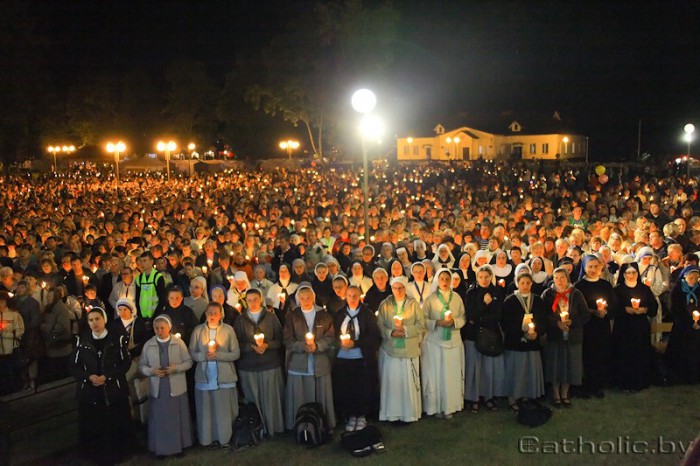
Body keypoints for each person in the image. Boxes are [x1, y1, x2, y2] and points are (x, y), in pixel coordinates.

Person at [70, 307, 133, 465]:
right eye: (91, 320)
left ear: (104, 320)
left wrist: (108, 376)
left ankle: (118, 453)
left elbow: (125, 362)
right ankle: (94, 454)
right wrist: (88, 377)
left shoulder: (115, 339)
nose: (94, 323)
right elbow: (73, 366)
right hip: (90, 392)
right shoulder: (82, 341)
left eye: (97, 319)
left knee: (113, 423)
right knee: (94, 424)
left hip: (113, 390)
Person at [139, 314, 194, 459]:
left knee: (176, 419)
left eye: (162, 328)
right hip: (158, 389)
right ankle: (161, 448)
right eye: (156, 328)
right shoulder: (149, 345)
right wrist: (152, 371)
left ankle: (178, 447)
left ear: (169, 328)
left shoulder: (178, 343)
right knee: (160, 420)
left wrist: (176, 368)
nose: (159, 331)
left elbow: (189, 362)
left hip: (175, 387)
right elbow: (142, 366)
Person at [283, 284, 336, 430]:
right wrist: (302, 346)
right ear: (298, 299)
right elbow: (287, 339)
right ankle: (300, 423)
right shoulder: (292, 316)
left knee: (320, 394)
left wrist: (318, 346)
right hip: (299, 362)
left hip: (319, 361)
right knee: (300, 394)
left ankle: (322, 424)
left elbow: (330, 336)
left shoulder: (324, 315)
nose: (306, 300)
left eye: (308, 297)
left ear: (313, 298)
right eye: (302, 298)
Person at [233, 288, 285, 437]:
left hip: (270, 364)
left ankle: (274, 426)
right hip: (249, 366)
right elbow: (237, 343)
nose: (252, 303)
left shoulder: (271, 317)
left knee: (271, 399)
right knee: (253, 399)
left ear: (261, 300)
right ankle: (255, 427)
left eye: (255, 299)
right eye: (249, 300)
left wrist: (267, 345)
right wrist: (251, 347)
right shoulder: (241, 320)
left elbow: (280, 339)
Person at [189, 302, 240, 448]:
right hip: (204, 376)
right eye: (209, 313)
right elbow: (192, 351)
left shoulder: (228, 330)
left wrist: (218, 355)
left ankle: (225, 438)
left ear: (221, 314)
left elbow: (236, 353)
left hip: (224, 375)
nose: (212, 316)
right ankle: (207, 439)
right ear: (205, 314)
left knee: (223, 409)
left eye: (215, 313)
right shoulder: (198, 331)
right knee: (206, 409)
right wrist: (203, 356)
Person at [376, 276, 425, 425]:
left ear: (405, 288)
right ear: (391, 288)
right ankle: (392, 414)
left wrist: (405, 330)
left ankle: (409, 414)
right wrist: (391, 332)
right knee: (393, 383)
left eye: (401, 288)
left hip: (408, 348)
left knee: (407, 383)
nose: (398, 291)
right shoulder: (385, 304)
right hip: (390, 350)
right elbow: (380, 325)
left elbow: (421, 324)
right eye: (395, 288)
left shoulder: (413, 304)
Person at [333, 284, 380, 431]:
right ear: (345, 297)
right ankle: (350, 415)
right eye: (349, 296)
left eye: (355, 295)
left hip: (361, 358)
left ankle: (362, 415)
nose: (352, 298)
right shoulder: (340, 314)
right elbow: (333, 334)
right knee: (347, 387)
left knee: (362, 387)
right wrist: (340, 343)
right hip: (343, 358)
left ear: (359, 296)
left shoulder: (367, 314)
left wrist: (356, 343)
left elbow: (374, 337)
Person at [541, 268, 589, 408]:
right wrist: (557, 323)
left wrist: (572, 322)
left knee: (569, 364)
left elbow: (585, 315)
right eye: (556, 278)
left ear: (567, 279)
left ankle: (565, 393)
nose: (560, 281)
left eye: (562, 278)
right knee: (556, 364)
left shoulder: (575, 294)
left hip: (573, 336)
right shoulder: (548, 294)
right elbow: (543, 315)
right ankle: (556, 394)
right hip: (555, 336)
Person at [421, 268, 465, 419]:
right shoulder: (430, 299)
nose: (445, 282)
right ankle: (436, 407)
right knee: (436, 375)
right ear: (437, 281)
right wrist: (437, 322)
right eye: (442, 279)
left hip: (453, 341)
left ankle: (450, 406)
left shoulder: (457, 298)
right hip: (435, 341)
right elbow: (423, 319)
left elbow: (463, 317)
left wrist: (454, 322)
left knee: (450, 375)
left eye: (447, 279)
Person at [501, 272, 546, 412]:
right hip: (515, 343)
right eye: (522, 283)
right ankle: (512, 398)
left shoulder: (537, 301)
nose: (525, 286)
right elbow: (505, 323)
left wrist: (536, 332)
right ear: (517, 284)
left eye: (528, 283)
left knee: (528, 370)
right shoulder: (510, 301)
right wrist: (522, 331)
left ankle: (526, 395)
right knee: (516, 371)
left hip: (532, 342)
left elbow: (543, 319)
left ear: (531, 284)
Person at [574, 254, 618, 398]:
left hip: (602, 325)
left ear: (600, 267)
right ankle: (585, 385)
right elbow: (576, 308)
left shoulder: (605, 285)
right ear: (585, 267)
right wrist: (593, 312)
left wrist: (606, 311)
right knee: (587, 355)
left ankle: (598, 385)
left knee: (601, 354)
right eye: (590, 267)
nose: (593, 269)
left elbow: (613, 304)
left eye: (595, 266)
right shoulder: (579, 286)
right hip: (587, 326)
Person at [462, 265, 505, 413]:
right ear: (477, 277)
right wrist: (484, 304)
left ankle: (488, 397)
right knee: (474, 368)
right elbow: (470, 315)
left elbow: (497, 315)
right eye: (481, 277)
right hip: (473, 335)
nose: (484, 280)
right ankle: (474, 398)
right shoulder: (471, 292)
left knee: (488, 368)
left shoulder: (496, 292)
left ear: (491, 277)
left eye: (487, 277)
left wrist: (479, 318)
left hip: (490, 335)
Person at [613, 262, 658, 391]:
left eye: (633, 273)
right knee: (624, 354)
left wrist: (644, 309)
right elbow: (613, 308)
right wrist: (625, 309)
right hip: (624, 328)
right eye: (628, 273)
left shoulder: (644, 289)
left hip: (640, 328)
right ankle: (623, 383)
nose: (631, 275)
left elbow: (653, 307)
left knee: (640, 354)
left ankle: (640, 382)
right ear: (623, 274)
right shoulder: (618, 289)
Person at [108, 297, 150, 421]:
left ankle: (142, 412)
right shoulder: (114, 325)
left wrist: (131, 352)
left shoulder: (139, 323)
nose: (122, 312)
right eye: (119, 310)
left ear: (131, 310)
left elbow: (144, 341)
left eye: (125, 309)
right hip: (121, 360)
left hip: (136, 358)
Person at [665, 265, 700, 384]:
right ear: (685, 277)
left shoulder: (698, 289)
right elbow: (673, 306)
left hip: (696, 327)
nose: (694, 280)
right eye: (691, 277)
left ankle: (694, 375)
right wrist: (687, 319)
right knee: (680, 350)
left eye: (696, 278)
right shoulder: (678, 289)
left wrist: (697, 321)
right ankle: (679, 375)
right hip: (682, 325)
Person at [39, 287, 73, 383]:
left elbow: (62, 325)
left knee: (61, 369)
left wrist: (46, 327)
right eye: (47, 296)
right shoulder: (48, 307)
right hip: (52, 344)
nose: (48, 298)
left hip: (60, 343)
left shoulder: (60, 307)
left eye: (50, 296)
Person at [14, 280, 42, 391]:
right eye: (19, 287)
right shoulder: (14, 302)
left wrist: (28, 329)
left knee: (31, 357)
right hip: (17, 334)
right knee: (20, 357)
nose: (20, 289)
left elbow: (35, 320)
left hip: (30, 334)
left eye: (22, 287)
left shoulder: (32, 303)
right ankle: (24, 379)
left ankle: (32, 379)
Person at [0, 291, 24, 395]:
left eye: (1, 301)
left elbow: (20, 332)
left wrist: (5, 334)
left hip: (11, 350)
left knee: (12, 372)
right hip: (1, 352)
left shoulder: (14, 315)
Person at [135, 252, 167, 329]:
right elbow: (137, 298)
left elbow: (162, 299)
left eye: (145, 261)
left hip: (155, 316)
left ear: (151, 261)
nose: (142, 264)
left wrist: (154, 317)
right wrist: (139, 316)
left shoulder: (158, 277)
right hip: (142, 317)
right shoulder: (139, 278)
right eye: (141, 261)